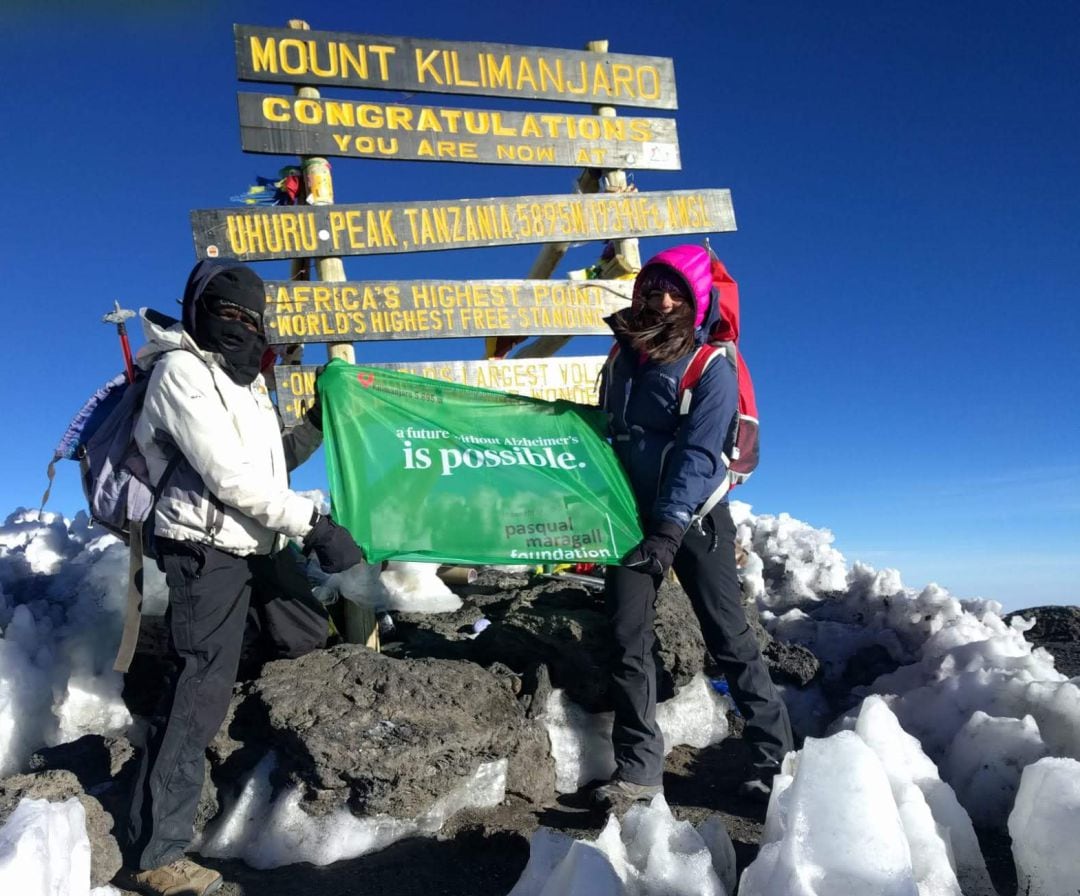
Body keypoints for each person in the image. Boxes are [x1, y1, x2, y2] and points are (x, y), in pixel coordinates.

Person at [116, 259, 363, 896]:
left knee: (308, 632)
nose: (240, 327)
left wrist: (312, 423)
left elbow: (269, 465)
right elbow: (229, 478)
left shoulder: (245, 383)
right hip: (204, 551)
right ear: (198, 308)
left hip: (254, 544)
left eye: (251, 318)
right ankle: (156, 853)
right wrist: (316, 526)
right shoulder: (180, 372)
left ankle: (269, 766)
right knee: (199, 690)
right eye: (227, 314)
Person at [593, 244, 793, 813]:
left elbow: (699, 454)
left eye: (676, 291)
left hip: (696, 519)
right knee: (628, 638)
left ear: (695, 300)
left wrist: (668, 530)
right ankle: (638, 774)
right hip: (627, 517)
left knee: (729, 637)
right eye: (652, 288)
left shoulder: (711, 364)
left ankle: (773, 758)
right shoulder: (620, 357)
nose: (661, 299)